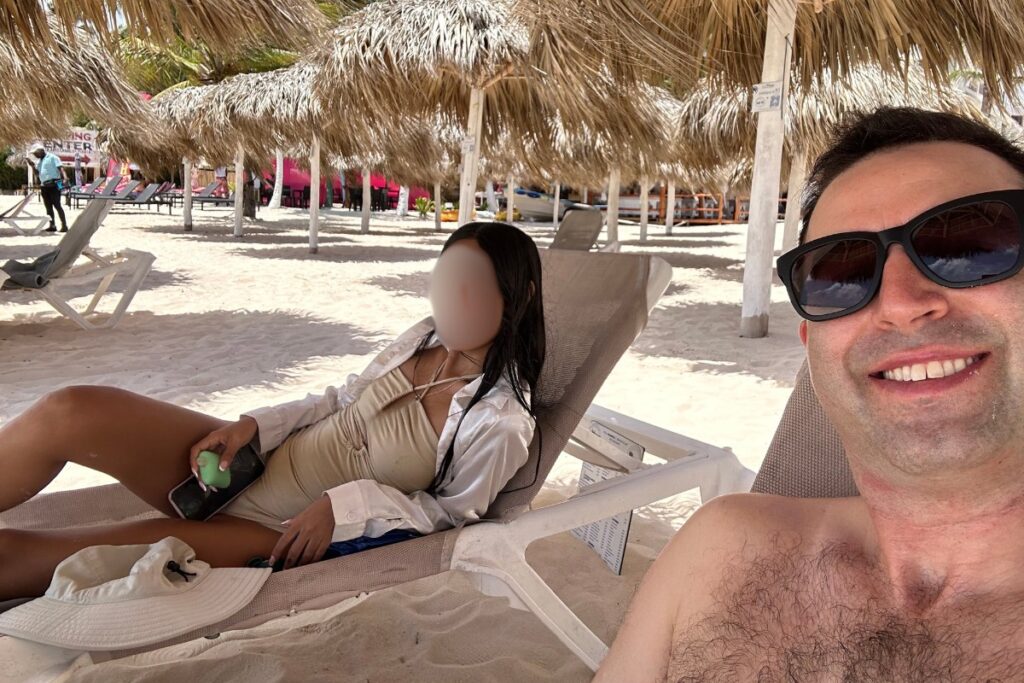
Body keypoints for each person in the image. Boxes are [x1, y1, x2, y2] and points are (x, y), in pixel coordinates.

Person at [597, 107, 1024, 681]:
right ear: (812, 347)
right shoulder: (718, 549)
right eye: (842, 273)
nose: (898, 303)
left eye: (971, 245)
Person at [0, 221, 545, 600]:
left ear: (516, 296)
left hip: (276, 530)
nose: (450, 302)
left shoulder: (501, 421)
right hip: (253, 462)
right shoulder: (420, 338)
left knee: (31, 558)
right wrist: (250, 426)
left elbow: (451, 518)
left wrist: (344, 507)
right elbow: (338, 399)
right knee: (71, 409)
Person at [25, 143, 68, 233]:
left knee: (57, 205)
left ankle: (64, 225)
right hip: (44, 185)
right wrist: (32, 165)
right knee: (48, 207)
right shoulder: (39, 162)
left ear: (41, 151)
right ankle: (52, 225)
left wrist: (65, 178)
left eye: (36, 153)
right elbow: (37, 174)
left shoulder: (52, 157)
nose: (35, 155)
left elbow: (61, 168)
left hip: (55, 183)